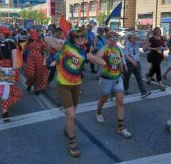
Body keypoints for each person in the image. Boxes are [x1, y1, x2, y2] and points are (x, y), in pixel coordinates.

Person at [44, 28, 105, 157]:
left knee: (71, 113)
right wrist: (48, 38)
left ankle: (67, 129)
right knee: (71, 113)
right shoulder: (66, 46)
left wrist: (105, 62)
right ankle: (72, 143)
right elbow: (54, 42)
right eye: (77, 37)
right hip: (63, 86)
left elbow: (95, 59)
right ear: (73, 38)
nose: (80, 38)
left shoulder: (84, 52)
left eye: (82, 36)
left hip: (76, 86)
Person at [95, 31, 132, 138]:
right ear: (108, 39)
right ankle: (98, 112)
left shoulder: (118, 49)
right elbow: (97, 57)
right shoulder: (105, 49)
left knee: (120, 101)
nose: (114, 40)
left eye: (115, 38)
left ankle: (121, 128)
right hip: (106, 79)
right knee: (104, 98)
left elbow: (120, 62)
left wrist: (122, 72)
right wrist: (106, 44)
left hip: (117, 79)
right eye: (111, 38)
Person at [0, 26, 23, 120]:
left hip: (9, 67)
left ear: (4, 33)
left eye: (0, 32)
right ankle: (4, 110)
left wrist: (14, 69)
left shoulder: (11, 43)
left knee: (13, 91)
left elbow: (14, 58)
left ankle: (5, 105)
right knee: (3, 90)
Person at [123, 33, 151, 98]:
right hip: (129, 63)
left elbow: (144, 43)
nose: (136, 39)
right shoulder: (127, 45)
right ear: (130, 39)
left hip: (137, 63)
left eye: (136, 38)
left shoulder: (136, 43)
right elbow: (126, 56)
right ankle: (125, 89)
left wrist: (147, 36)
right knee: (127, 77)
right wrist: (132, 62)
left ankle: (143, 92)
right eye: (134, 38)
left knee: (139, 78)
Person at [25, 29, 48, 95]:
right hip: (30, 59)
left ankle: (36, 88)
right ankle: (29, 84)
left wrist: (45, 60)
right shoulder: (29, 41)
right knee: (31, 73)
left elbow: (46, 51)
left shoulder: (41, 42)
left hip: (39, 60)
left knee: (38, 74)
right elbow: (24, 49)